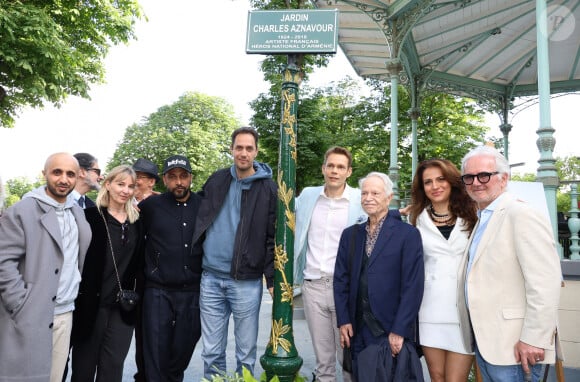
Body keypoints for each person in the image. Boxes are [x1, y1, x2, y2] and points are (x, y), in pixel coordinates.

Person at [458, 145, 562, 382]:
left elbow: (545, 283)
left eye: (484, 175)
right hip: (490, 343)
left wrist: (534, 338)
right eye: (469, 177)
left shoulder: (520, 213)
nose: (476, 182)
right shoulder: (484, 217)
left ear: (504, 178)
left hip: (516, 346)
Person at [193, 126, 276, 378]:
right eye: (239, 147)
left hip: (246, 281)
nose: (243, 153)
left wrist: (271, 278)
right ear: (231, 149)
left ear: (256, 151)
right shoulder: (216, 180)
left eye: (249, 148)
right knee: (211, 350)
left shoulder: (269, 188)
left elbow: (273, 237)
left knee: (245, 351)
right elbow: (196, 210)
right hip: (210, 279)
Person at [0, 152, 92, 382]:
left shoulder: (77, 212)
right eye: (57, 172)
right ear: (44, 174)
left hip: (66, 312)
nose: (64, 179)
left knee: (55, 377)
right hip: (31, 313)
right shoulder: (22, 211)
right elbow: (3, 260)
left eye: (70, 174)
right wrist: (20, 303)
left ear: (77, 176)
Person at [333, 172, 424, 380]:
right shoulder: (351, 235)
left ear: (388, 198)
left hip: (390, 330)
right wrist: (344, 320)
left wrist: (399, 330)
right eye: (364, 193)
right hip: (357, 330)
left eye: (375, 192)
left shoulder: (407, 234)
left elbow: (413, 286)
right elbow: (341, 281)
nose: (368, 197)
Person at [294, 146, 366, 382]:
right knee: (323, 363)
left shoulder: (359, 200)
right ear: (323, 168)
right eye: (331, 165)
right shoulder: (307, 196)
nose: (335, 171)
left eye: (340, 167)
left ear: (349, 172)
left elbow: (381, 218)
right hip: (313, 286)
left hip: (343, 290)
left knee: (348, 360)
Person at [407, 159, 477, 382]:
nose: (434, 186)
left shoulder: (474, 214)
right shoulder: (415, 218)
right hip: (430, 310)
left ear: (452, 181)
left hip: (463, 311)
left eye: (440, 179)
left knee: (455, 379)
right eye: (428, 182)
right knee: (437, 377)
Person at [70, 165, 142, 381]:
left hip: (122, 308)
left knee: (112, 369)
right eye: (120, 184)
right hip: (90, 305)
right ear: (108, 184)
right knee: (83, 367)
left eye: (131, 186)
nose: (126, 191)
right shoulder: (88, 217)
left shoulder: (137, 221)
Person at [139, 154, 202, 382]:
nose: (179, 182)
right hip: (158, 290)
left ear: (190, 178)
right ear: (164, 180)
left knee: (183, 349)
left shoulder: (202, 206)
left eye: (183, 176)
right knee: (155, 351)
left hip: (192, 290)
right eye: (173, 177)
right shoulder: (150, 206)